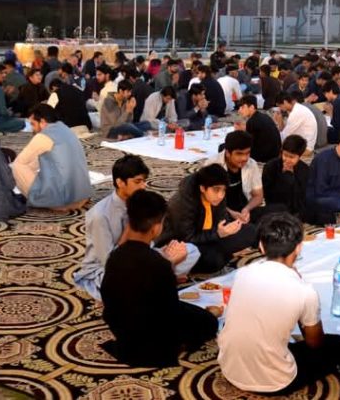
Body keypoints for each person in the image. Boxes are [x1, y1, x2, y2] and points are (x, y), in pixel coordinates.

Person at [219, 213, 340, 393]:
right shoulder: (305, 291)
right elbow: (314, 343)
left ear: (261, 246)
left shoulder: (242, 273)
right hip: (276, 382)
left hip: (229, 369)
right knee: (337, 343)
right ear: (299, 247)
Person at [101, 190, 218, 367]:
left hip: (121, 329)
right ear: (156, 227)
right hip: (151, 338)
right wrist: (170, 265)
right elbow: (169, 311)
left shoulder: (115, 256)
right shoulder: (158, 263)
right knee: (208, 322)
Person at [74, 155, 199, 300]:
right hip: (105, 270)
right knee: (133, 277)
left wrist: (162, 253)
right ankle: (160, 278)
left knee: (190, 251)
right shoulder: (100, 215)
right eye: (137, 181)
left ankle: (157, 279)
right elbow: (110, 262)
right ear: (120, 182)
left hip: (140, 258)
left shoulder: (141, 202)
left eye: (144, 181)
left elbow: (147, 240)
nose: (143, 186)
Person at [158, 164, 258, 273]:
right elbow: (187, 238)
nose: (220, 195)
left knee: (250, 230)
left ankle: (223, 253)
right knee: (214, 260)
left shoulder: (219, 197)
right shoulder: (182, 203)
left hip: (211, 237)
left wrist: (229, 228)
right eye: (216, 190)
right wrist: (218, 234)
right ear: (202, 188)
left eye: (224, 190)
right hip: (183, 243)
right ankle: (223, 254)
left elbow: (222, 221)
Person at [11, 104, 92, 213]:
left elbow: (20, 162)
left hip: (62, 201)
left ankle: (41, 199)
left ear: (42, 122)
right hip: (82, 195)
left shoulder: (43, 136)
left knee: (16, 166)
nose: (32, 129)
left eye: (33, 124)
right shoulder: (65, 128)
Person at [204, 131, 267, 223]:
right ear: (227, 153)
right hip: (219, 210)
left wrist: (246, 209)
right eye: (239, 154)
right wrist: (230, 213)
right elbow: (207, 199)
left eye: (247, 153)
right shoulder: (213, 165)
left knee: (275, 214)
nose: (244, 158)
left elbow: (258, 196)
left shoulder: (251, 164)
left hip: (243, 207)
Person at [260, 135, 310, 219]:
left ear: (299, 157)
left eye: (292, 157)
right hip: (275, 206)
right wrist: (285, 177)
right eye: (285, 155)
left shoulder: (304, 169)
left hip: (297, 208)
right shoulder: (271, 166)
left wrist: (290, 176)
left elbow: (303, 195)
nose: (287, 159)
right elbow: (267, 192)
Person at [234, 94, 280, 162]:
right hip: (275, 153)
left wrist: (239, 132)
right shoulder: (263, 116)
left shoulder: (252, 121)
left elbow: (246, 143)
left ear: (251, 107)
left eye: (243, 107)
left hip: (264, 157)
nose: (239, 111)